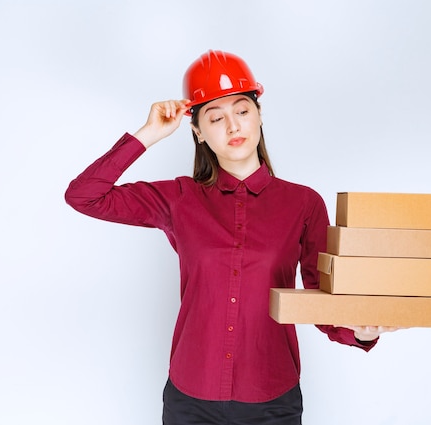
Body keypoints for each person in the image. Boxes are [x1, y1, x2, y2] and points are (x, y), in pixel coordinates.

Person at [65, 49, 397, 425]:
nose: (233, 126)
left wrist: (360, 331)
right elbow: (84, 195)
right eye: (215, 118)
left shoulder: (303, 203)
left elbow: (320, 296)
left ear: (258, 116)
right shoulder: (179, 198)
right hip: (191, 398)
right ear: (198, 132)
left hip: (272, 399)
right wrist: (149, 134)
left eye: (242, 110)